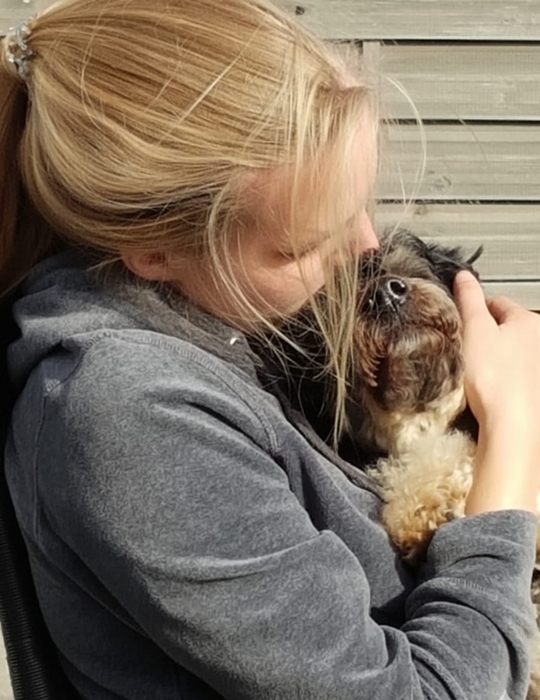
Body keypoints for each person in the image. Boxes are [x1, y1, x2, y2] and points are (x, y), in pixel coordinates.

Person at [1, 0, 540, 698]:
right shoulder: (130, 417)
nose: (364, 247)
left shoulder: (232, 327)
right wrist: (515, 430)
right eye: (306, 240)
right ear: (154, 251)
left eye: (358, 205)